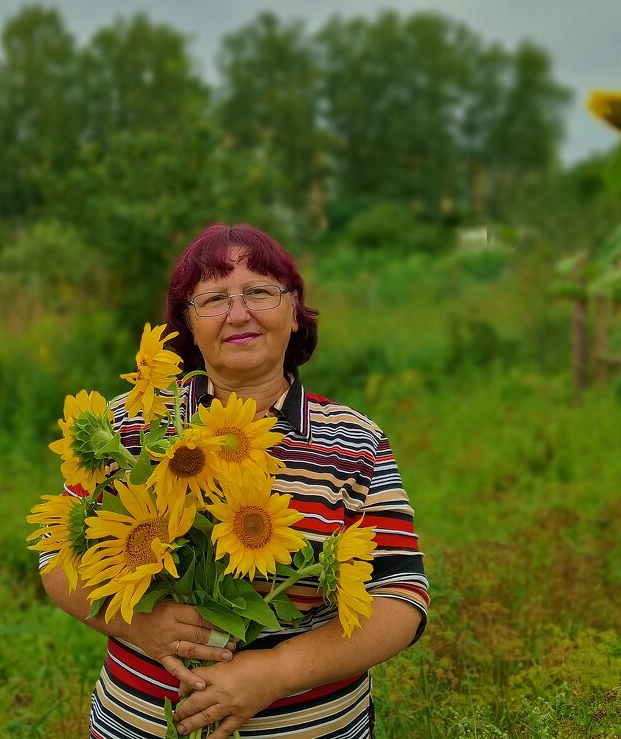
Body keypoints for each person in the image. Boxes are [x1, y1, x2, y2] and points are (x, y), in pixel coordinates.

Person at [41, 223, 429, 738]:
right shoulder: (132, 429)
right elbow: (57, 558)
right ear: (188, 324)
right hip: (140, 724)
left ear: (294, 313)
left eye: (259, 292)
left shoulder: (353, 442)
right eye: (214, 299)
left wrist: (276, 673)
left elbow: (398, 598)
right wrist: (142, 626)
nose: (238, 313)